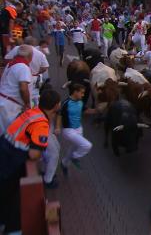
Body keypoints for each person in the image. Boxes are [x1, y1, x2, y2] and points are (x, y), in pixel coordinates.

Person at [0, 89, 60, 233]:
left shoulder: (32, 112)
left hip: (3, 153)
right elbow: (34, 154)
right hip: (11, 164)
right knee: (10, 198)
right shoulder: (42, 124)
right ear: (56, 106)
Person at [56, 84, 96, 175]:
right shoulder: (66, 103)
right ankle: (75, 157)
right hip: (69, 130)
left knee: (74, 148)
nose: (83, 95)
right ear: (75, 92)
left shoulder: (80, 102)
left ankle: (64, 163)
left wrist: (97, 110)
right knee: (87, 145)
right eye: (81, 93)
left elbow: (86, 110)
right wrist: (58, 127)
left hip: (79, 129)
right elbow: (59, 115)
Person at [5, 37, 50, 107]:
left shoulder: (17, 48)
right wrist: (37, 72)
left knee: (21, 97)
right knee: (34, 97)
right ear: (34, 43)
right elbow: (46, 66)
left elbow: (7, 58)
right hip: (34, 77)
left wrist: (12, 66)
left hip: (15, 79)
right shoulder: (40, 54)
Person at [0, 45, 33, 134]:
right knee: (7, 136)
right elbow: (23, 88)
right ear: (29, 56)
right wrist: (27, 104)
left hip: (4, 101)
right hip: (10, 106)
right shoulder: (23, 67)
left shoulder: (10, 64)